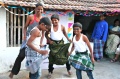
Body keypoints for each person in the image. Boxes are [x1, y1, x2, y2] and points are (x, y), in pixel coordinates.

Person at [9, 3, 45, 78]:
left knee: (34, 60)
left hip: (36, 42)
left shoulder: (43, 19)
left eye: (41, 9)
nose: (40, 10)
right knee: (21, 56)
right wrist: (24, 35)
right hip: (28, 40)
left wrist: (41, 43)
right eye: (38, 9)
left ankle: (31, 75)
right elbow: (25, 27)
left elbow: (43, 32)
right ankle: (13, 72)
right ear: (35, 9)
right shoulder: (31, 17)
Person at [45, 14, 72, 78]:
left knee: (65, 56)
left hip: (61, 44)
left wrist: (68, 39)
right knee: (51, 58)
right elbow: (46, 35)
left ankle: (69, 69)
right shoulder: (50, 27)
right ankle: (50, 72)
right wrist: (49, 40)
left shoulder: (62, 27)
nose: (54, 22)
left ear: (58, 20)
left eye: (55, 20)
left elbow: (65, 33)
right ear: (51, 21)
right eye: (53, 20)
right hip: (53, 45)